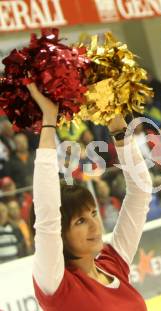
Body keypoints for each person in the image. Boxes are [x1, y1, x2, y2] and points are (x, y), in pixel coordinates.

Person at [27, 82, 152, 310]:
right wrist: (48, 121)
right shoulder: (56, 284)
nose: (95, 225)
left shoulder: (113, 263)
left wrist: (117, 124)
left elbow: (141, 191)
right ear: (61, 234)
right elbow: (47, 217)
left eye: (93, 213)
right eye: (80, 221)